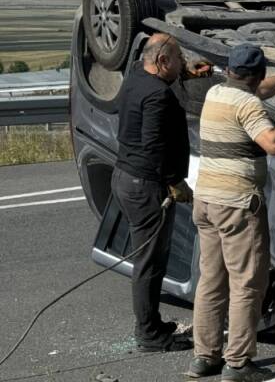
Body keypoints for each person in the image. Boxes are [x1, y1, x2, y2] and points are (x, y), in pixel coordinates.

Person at [188, 44, 275, 382]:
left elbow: (257, 90)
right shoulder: (248, 105)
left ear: (230, 72)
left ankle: (205, 357)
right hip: (238, 206)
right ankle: (238, 364)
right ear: (255, 74)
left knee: (211, 281)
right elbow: (272, 142)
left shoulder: (218, 92)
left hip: (206, 202)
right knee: (247, 284)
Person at [112, 33, 197, 352]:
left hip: (125, 177)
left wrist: (186, 73)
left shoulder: (135, 78)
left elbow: (157, 72)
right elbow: (154, 146)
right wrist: (176, 182)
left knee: (149, 259)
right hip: (146, 185)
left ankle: (152, 322)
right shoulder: (159, 96)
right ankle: (149, 335)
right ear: (162, 61)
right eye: (178, 60)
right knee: (149, 262)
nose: (182, 65)